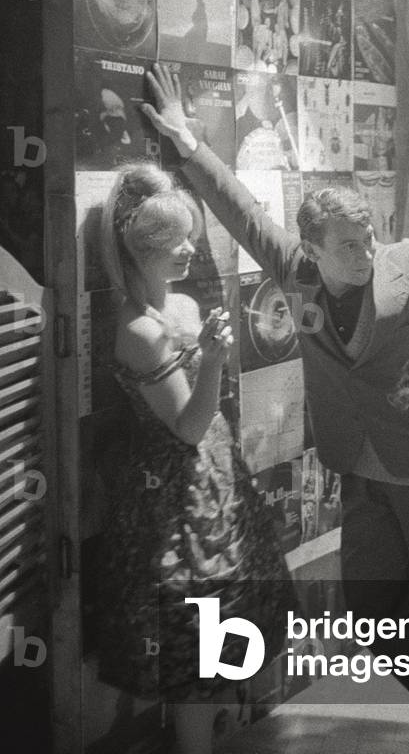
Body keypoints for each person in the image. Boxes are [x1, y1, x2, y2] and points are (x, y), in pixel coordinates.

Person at [141, 64, 409, 754]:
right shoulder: (296, 271)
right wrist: (188, 145)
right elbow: (241, 210)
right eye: (347, 244)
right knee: (370, 615)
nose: (366, 252)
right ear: (312, 250)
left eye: (368, 236)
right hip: (362, 471)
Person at [96, 163, 292, 754]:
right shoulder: (140, 330)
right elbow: (186, 427)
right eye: (176, 241)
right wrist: (211, 361)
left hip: (212, 482)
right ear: (141, 248)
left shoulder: (178, 305)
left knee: (224, 620)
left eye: (189, 237)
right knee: (193, 640)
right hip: (173, 497)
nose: (189, 250)